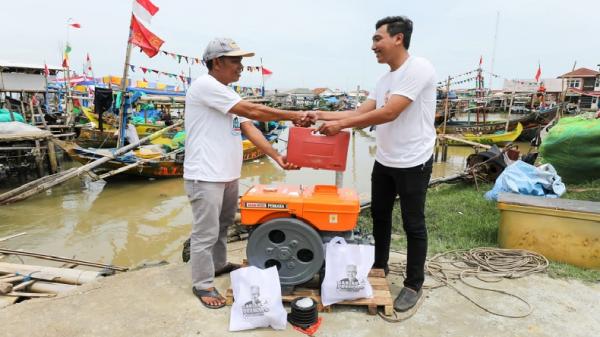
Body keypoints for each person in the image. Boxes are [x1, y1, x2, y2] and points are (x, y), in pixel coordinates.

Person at [316, 16, 436, 312]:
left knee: (413, 223)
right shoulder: (384, 80)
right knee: (380, 215)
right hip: (386, 158)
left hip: (414, 159)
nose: (373, 47)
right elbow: (360, 112)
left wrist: (341, 124)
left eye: (377, 39)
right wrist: (317, 115)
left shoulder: (418, 68)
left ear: (398, 38)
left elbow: (389, 113)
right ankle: (379, 266)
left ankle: (413, 283)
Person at [184, 37, 311, 309]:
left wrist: (277, 156)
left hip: (226, 174)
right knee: (205, 232)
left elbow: (249, 126)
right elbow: (254, 110)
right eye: (235, 61)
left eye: (241, 62)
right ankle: (202, 283)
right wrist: (292, 116)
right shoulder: (207, 86)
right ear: (217, 62)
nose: (240, 67)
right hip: (205, 174)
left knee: (223, 225)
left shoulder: (227, 93)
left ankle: (217, 264)